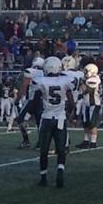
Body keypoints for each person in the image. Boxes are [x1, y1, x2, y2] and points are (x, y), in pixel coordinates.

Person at [34, 56, 76, 188]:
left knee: (44, 150)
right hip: (60, 118)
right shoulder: (65, 80)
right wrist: (70, 114)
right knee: (61, 149)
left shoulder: (41, 81)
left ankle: (43, 177)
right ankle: (60, 170)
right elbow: (71, 102)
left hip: (46, 118)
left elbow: (35, 100)